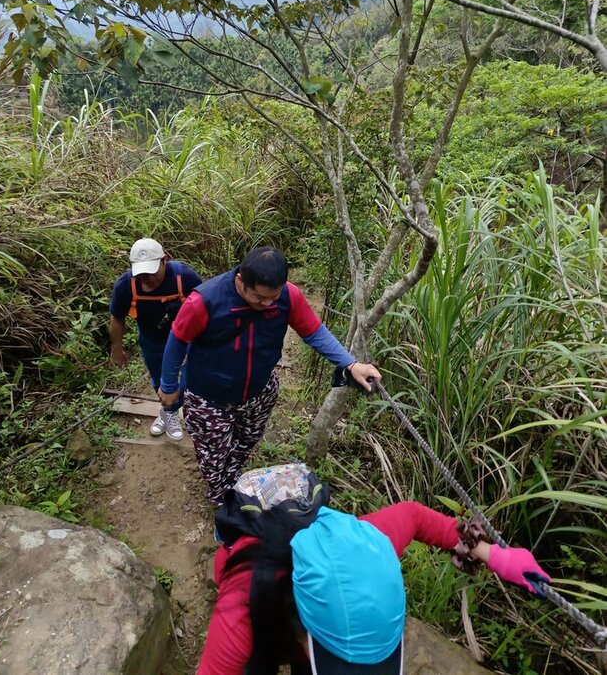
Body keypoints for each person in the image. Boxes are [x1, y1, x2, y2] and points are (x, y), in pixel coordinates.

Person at [198, 470, 552, 675]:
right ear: (299, 624)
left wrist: (493, 554)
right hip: (260, 576)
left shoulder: (368, 546)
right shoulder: (240, 613)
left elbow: (414, 516)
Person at [158, 246, 381, 505]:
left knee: (246, 441)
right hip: (210, 396)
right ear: (241, 281)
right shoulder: (204, 301)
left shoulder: (289, 296)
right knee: (213, 456)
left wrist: (351, 365)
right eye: (259, 298)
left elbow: (314, 332)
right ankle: (222, 501)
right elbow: (177, 340)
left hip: (259, 390)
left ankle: (232, 480)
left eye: (272, 298)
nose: (266, 304)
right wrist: (168, 384)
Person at [109, 238, 202, 440]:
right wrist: (117, 349)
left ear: (165, 260)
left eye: (152, 272)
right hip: (152, 340)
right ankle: (168, 412)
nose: (148, 279)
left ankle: (192, 413)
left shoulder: (183, 276)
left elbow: (206, 304)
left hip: (186, 339)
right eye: (142, 274)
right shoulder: (126, 285)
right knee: (160, 380)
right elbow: (117, 317)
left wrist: (188, 309)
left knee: (191, 377)